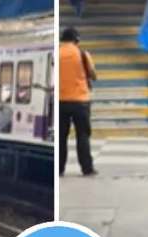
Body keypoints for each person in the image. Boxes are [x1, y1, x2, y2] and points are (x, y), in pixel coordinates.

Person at [60, 28, 97, 177]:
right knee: (82, 135)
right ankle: (87, 168)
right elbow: (93, 75)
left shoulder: (58, 54)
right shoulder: (82, 54)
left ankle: (59, 169)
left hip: (61, 102)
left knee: (61, 137)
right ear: (77, 40)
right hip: (81, 101)